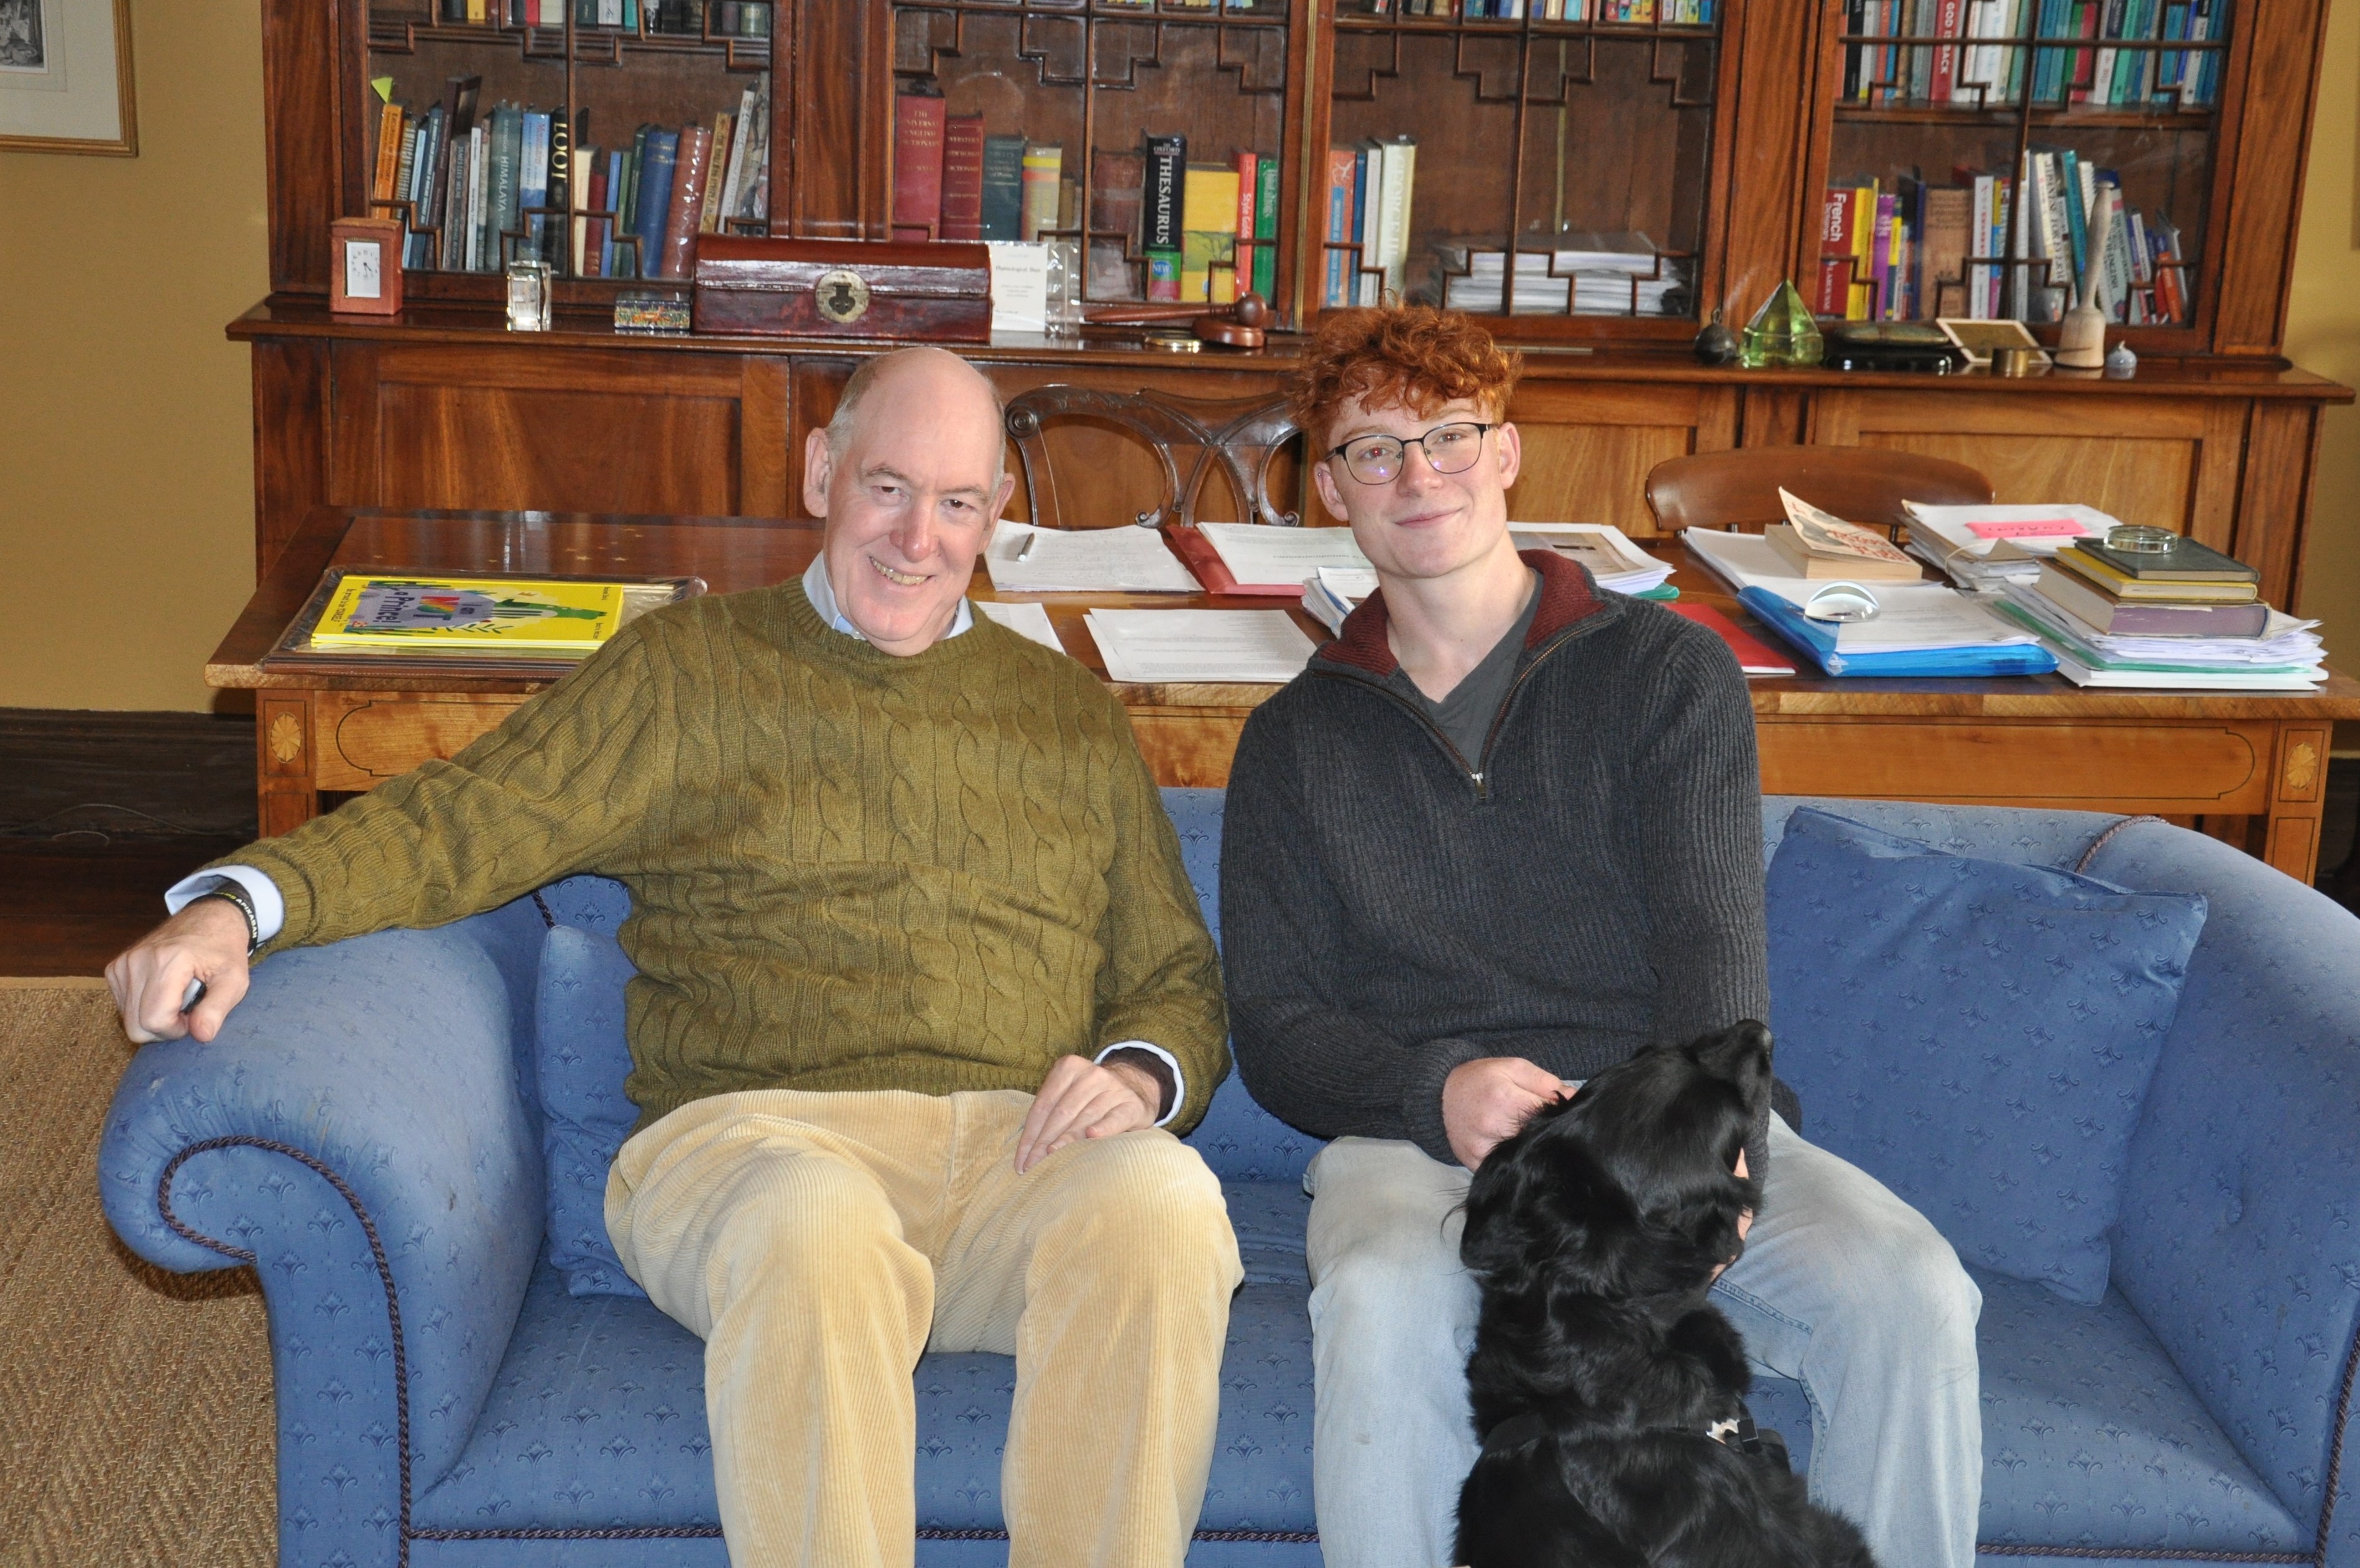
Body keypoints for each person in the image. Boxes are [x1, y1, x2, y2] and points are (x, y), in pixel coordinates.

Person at [106, 346, 1243, 1568]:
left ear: (995, 515)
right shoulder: (688, 670)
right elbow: (466, 819)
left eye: (957, 502)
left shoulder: (1066, 712)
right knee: (815, 1226)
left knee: (1164, 1199)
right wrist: (238, 903)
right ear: (821, 472)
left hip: (1013, 1156)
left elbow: (1174, 974)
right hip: (758, 1145)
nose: (919, 537)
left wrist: (1137, 1073)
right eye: (887, 488)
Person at [1218, 306, 1983, 1568]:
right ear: (1329, 491)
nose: (1418, 476)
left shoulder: (1663, 675)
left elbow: (1711, 949)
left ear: (1506, 452)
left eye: (1448, 437)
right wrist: (1431, 1087)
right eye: (1372, 450)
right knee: (1378, 1294)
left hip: (1659, 1124)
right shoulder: (1296, 745)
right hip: (1424, 1147)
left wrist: (1707, 1144)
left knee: (1910, 1289)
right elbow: (1278, 1032)